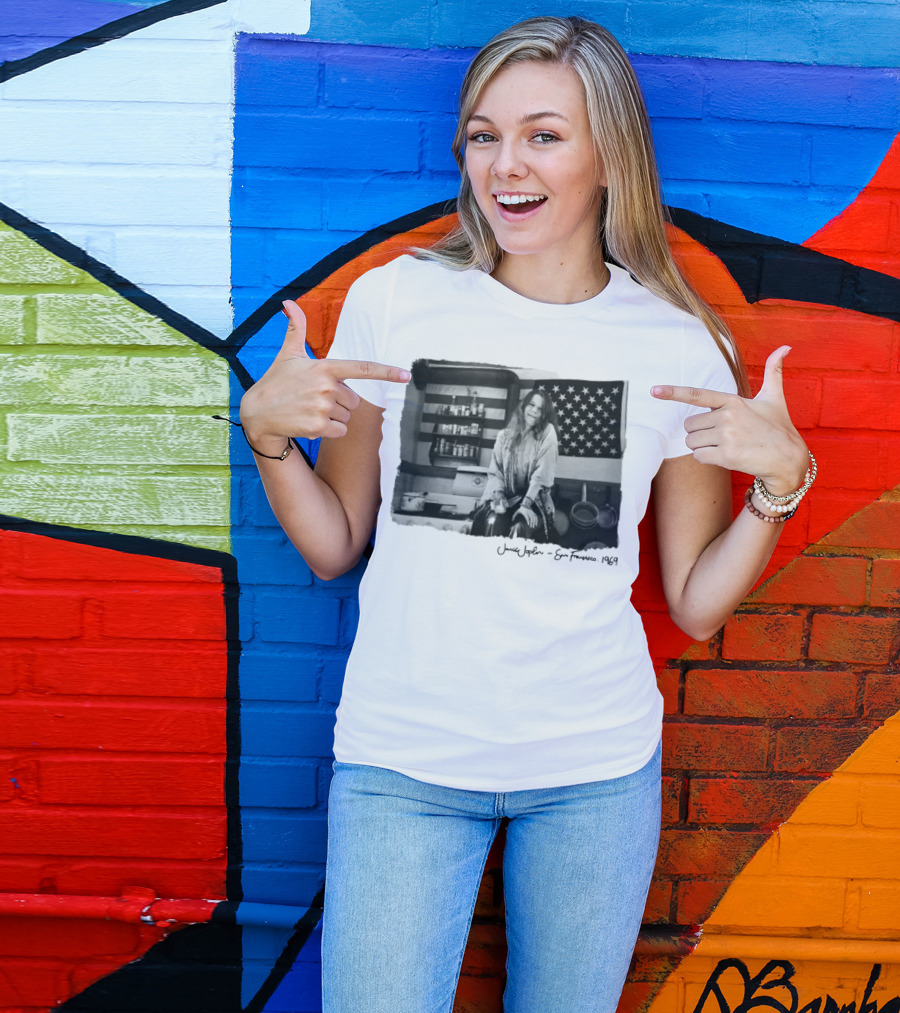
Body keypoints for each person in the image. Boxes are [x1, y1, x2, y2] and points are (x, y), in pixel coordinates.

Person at [238, 15, 813, 1013]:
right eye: (483, 135)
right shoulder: (396, 301)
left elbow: (696, 600)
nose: (505, 165)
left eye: (544, 135)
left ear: (609, 157)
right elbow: (335, 545)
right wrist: (268, 438)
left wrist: (780, 485)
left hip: (594, 771)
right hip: (404, 760)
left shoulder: (677, 343)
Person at [471, 388, 558, 540]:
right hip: (506, 496)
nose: (534, 411)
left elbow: (541, 474)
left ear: (545, 414)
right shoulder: (503, 436)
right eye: (532, 405)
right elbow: (496, 471)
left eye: (540, 409)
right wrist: (499, 496)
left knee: (520, 527)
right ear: (523, 406)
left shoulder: (548, 432)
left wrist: (525, 505)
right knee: (493, 521)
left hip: (533, 499)